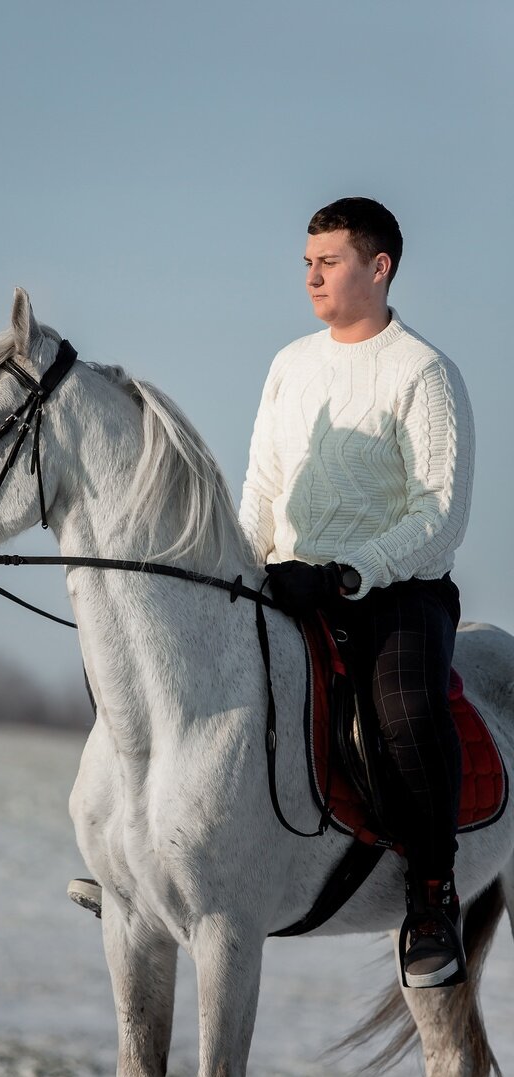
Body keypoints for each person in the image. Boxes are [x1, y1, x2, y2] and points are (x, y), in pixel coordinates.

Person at [239, 196, 474, 987]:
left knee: (406, 709)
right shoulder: (289, 365)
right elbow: (264, 484)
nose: (311, 277)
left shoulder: (424, 372)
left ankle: (432, 899)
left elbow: (437, 514)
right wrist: (243, 567)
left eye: (328, 261)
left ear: (379, 267)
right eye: (306, 262)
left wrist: (348, 573)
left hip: (395, 593)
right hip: (288, 582)